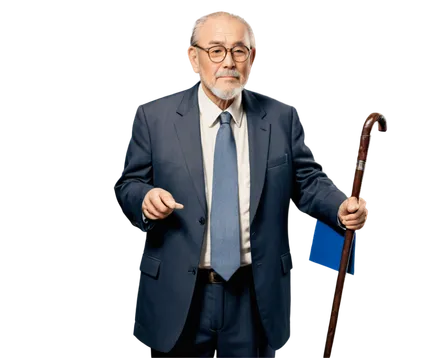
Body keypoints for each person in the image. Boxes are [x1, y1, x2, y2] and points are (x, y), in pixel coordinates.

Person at [113, 8, 369, 357]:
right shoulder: (153, 118)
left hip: (256, 296)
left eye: (239, 50)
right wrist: (144, 198)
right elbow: (128, 186)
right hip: (178, 296)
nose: (228, 61)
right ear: (193, 58)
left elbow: (308, 183)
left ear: (251, 59)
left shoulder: (280, 117)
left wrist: (340, 205)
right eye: (216, 50)